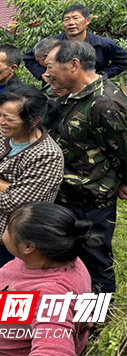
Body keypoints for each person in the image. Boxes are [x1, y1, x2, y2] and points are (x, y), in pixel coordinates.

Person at [0, 203, 98, 356]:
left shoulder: (51, 295)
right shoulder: (56, 257)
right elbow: (11, 292)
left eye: (8, 229)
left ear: (28, 246)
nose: (4, 231)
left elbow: (54, 349)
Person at [44, 40, 127, 294]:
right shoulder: (67, 94)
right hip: (65, 194)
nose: (45, 74)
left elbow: (123, 151)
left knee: (95, 260)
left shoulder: (105, 103)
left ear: (73, 65)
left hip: (91, 200)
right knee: (68, 256)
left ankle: (97, 320)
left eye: (50, 67)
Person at [0, 86, 64, 291]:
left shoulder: (47, 155)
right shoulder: (3, 135)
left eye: (9, 118)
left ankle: (4, 322)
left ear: (33, 120)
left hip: (14, 239)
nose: (0, 121)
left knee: (9, 288)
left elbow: (16, 203)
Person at [23, 4, 127, 82]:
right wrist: (42, 74)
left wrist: (102, 75)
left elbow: (123, 60)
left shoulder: (102, 44)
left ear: (87, 20)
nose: (71, 23)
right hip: (58, 91)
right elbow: (28, 58)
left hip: (91, 90)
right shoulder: (51, 43)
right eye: (66, 20)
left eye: (76, 18)